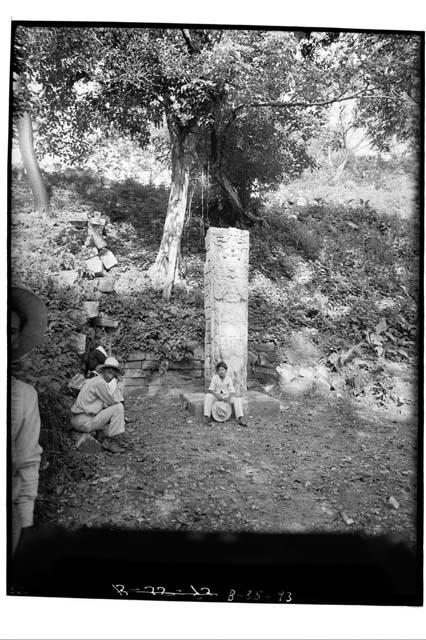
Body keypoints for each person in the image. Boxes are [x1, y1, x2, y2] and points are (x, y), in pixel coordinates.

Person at [10, 287, 48, 554]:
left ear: (15, 339)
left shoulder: (23, 396)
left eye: (10, 330)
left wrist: (24, 524)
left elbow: (27, 464)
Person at [70, 357, 128, 454]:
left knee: (106, 407)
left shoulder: (95, 380)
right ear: (104, 370)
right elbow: (114, 401)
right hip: (83, 421)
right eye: (109, 369)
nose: (112, 372)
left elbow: (105, 403)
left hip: (79, 420)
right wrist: (120, 385)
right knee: (118, 407)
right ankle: (112, 443)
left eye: (114, 370)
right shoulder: (100, 383)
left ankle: (100, 437)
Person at [204, 361, 247, 426]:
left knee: (237, 399)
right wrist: (216, 395)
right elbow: (210, 390)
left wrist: (229, 398)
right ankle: (207, 418)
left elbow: (232, 391)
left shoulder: (228, 379)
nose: (221, 371)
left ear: (226, 370)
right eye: (220, 370)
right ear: (217, 371)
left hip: (226, 397)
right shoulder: (214, 378)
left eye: (223, 369)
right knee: (208, 396)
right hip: (217, 397)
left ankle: (239, 419)